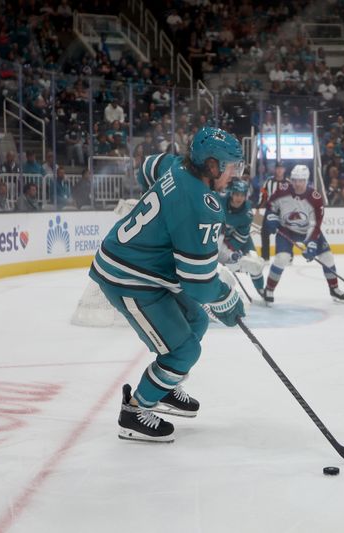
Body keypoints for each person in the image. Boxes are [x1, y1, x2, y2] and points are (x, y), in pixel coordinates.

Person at [89, 126, 246, 442]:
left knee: (196, 320)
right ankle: (135, 411)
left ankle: (164, 388)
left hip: (143, 267)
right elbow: (199, 285)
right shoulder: (202, 205)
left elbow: (147, 166)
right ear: (212, 165)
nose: (234, 174)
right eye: (231, 166)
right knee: (184, 352)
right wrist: (227, 298)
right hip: (128, 277)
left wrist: (165, 204)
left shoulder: (177, 165)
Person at [261, 164, 344, 304]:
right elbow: (271, 207)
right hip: (285, 229)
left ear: (306, 180)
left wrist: (311, 243)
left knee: (327, 257)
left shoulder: (315, 198)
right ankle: (269, 289)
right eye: (295, 180)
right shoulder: (282, 191)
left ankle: (334, 288)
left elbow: (315, 224)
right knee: (282, 258)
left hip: (307, 231)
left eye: (301, 180)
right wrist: (270, 218)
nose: (297, 184)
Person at [218, 179, 266, 297]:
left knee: (254, 263)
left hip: (239, 240)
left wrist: (234, 252)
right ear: (231, 194)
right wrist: (226, 254)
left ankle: (261, 290)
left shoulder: (247, 213)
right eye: (236, 194)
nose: (239, 198)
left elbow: (241, 237)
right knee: (217, 265)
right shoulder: (220, 200)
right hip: (219, 237)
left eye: (242, 195)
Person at [257, 161, 289, 261]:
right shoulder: (268, 181)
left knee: (285, 234)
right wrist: (259, 206)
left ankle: (286, 256)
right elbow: (263, 195)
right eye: (278, 168)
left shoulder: (288, 183)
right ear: (275, 169)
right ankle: (265, 256)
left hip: (284, 212)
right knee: (265, 233)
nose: (279, 170)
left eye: (281, 168)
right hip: (270, 210)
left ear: (284, 170)